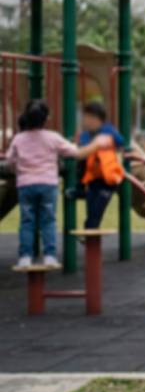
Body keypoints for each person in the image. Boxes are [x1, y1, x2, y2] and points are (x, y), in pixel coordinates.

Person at [5, 100, 104, 267]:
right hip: (48, 184)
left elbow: (9, 161)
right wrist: (95, 144)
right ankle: (50, 255)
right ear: (46, 119)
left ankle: (25, 257)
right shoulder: (52, 137)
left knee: (27, 221)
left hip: (25, 184)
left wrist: (18, 171)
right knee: (48, 220)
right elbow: (75, 152)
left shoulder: (19, 139)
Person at [77, 101, 126, 230]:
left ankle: (90, 229)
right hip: (92, 179)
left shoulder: (108, 130)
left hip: (108, 180)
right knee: (91, 207)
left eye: (86, 118)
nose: (84, 121)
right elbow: (82, 149)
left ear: (95, 119)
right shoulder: (85, 134)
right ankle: (90, 231)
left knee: (97, 210)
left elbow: (122, 144)